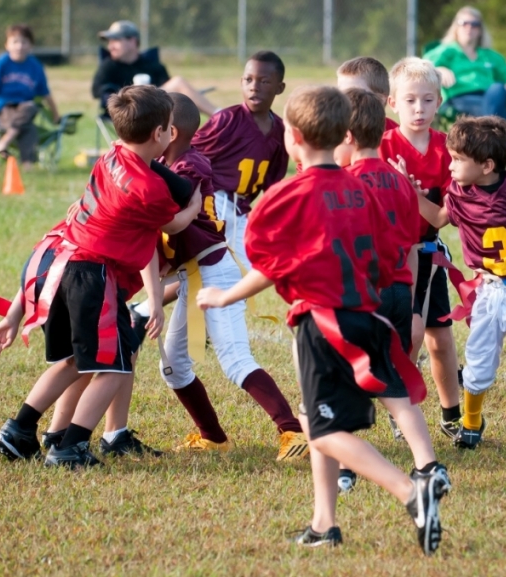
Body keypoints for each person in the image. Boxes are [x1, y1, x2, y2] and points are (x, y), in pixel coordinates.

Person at [196, 86, 449, 554]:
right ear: (343, 137)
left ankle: (412, 492)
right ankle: (323, 523)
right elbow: (387, 249)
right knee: (319, 420)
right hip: (369, 313)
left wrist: (222, 294)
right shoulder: (364, 187)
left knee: (322, 429)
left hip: (323, 324)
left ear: (292, 137)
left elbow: (270, 269)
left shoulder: (284, 196)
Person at [0, 85, 201, 468]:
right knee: (113, 366)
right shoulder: (148, 190)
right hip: (90, 276)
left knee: (73, 360)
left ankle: (18, 431)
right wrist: (194, 203)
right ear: (158, 133)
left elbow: (147, 169)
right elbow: (172, 224)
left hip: (61, 260)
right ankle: (69, 447)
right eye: (168, 128)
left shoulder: (112, 154)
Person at [401, 116, 506, 467]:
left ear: (487, 166)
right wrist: (412, 193)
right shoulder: (459, 193)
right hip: (487, 291)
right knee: (477, 368)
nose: (451, 165)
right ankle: (471, 424)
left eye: (458, 159)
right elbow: (438, 217)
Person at [154, 92, 308, 459]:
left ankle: (293, 431)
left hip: (215, 271)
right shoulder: (163, 159)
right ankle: (213, 436)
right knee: (173, 367)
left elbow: (168, 205)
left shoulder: (189, 165)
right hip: (192, 275)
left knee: (236, 359)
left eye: (152, 122)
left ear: (169, 131)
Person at [333, 87, 447, 492]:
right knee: (394, 378)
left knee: (345, 379)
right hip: (401, 291)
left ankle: (345, 467)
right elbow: (414, 245)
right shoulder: (401, 183)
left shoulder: (345, 183)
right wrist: (413, 305)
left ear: (345, 137)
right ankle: (429, 465)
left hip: (363, 296)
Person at [379, 57, 462, 441]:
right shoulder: (382, 146)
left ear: (439, 102)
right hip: (393, 256)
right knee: (408, 335)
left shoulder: (447, 150)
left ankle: (452, 414)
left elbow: (444, 216)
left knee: (441, 340)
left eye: (428, 100)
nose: (419, 109)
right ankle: (402, 407)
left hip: (429, 251)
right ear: (393, 102)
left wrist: (410, 192)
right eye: (410, 100)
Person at [191, 50, 288, 270]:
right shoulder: (227, 119)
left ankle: (148, 307)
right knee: (213, 267)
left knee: (241, 269)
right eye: (249, 80)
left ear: (279, 88)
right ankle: (150, 305)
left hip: (241, 208)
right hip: (213, 201)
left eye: (264, 81)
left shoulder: (280, 130)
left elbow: (273, 183)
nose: (254, 86)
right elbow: (190, 154)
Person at [91, 20, 218, 117]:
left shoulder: (151, 65)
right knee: (178, 82)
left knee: (177, 84)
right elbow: (98, 91)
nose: (110, 46)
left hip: (155, 107)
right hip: (127, 110)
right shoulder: (108, 66)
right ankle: (221, 116)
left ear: (132, 41)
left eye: (116, 40)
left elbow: (170, 92)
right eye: (109, 41)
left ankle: (219, 117)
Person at [423, 6, 506, 120]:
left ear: (480, 30)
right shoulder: (447, 51)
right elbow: (423, 65)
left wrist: (503, 90)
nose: (469, 27)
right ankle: (493, 127)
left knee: (497, 89)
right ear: (456, 28)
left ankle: (488, 125)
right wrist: (439, 70)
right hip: (457, 99)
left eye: (475, 24)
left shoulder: (490, 56)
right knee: (497, 115)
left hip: (489, 98)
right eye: (464, 23)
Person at [0, 24, 60, 168]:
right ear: (7, 45)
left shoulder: (35, 66)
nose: (19, 46)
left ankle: (25, 164)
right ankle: (21, 159)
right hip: (3, 108)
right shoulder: (1, 64)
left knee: (30, 112)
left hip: (25, 108)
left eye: (24, 42)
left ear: (31, 45)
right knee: (28, 127)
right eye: (15, 42)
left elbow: (45, 93)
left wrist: (56, 114)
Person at [336, 56, 399, 132]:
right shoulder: (332, 131)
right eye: (341, 93)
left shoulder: (397, 138)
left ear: (381, 100)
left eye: (354, 94)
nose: (344, 100)